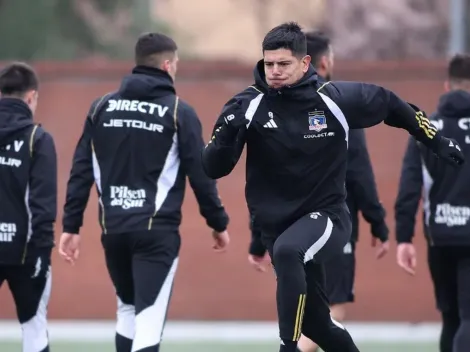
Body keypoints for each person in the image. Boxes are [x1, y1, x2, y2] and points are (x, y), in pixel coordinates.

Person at [202, 22, 464, 352]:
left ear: (305, 63)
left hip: (327, 218)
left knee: (288, 251)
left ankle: (287, 347)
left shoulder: (334, 99)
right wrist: (224, 136)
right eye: (269, 64)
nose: (275, 71)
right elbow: (213, 166)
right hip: (275, 226)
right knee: (319, 324)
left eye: (284, 64)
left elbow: (392, 104)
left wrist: (436, 140)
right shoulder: (247, 106)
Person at [59, 32, 230, 352]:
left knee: (127, 311)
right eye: (176, 64)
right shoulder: (180, 111)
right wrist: (218, 222)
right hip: (156, 234)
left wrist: (71, 227)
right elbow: (201, 174)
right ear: (167, 65)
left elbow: (81, 171)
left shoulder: (101, 107)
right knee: (148, 320)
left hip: (114, 232)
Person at [248, 30, 390, 352]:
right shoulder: (335, 103)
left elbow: (266, 182)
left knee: (318, 317)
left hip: (294, 231)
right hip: (328, 228)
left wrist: (258, 238)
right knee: (328, 312)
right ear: (322, 61)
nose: (277, 71)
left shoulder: (284, 107)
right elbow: (359, 172)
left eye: (283, 63)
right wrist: (378, 222)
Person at [395, 53, 470, 352]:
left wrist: (404, 238)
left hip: (439, 236)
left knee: (450, 317)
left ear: (446, 85)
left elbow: (410, 186)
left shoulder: (426, 127)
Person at [0, 62, 57, 352]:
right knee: (34, 328)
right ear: (32, 97)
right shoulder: (38, 140)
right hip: (27, 252)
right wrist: (43, 251)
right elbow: (43, 202)